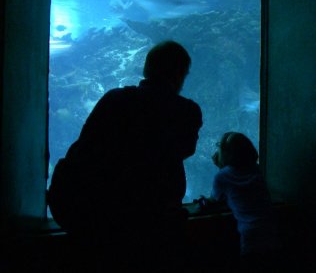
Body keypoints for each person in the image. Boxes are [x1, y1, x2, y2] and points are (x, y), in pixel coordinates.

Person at [48, 40, 202, 270]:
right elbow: (185, 149)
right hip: (152, 223)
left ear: (147, 69)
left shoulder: (114, 99)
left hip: (97, 219)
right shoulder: (186, 111)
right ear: (180, 74)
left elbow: (84, 148)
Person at [210, 132, 281, 272]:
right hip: (272, 233)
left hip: (251, 237)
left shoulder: (222, 176)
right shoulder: (256, 170)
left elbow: (215, 199)